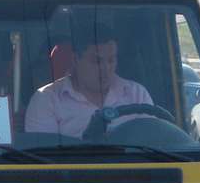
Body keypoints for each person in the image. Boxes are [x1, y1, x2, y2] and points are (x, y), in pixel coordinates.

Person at [24, 25, 152, 138]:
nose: (106, 68)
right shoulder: (47, 100)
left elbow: (152, 142)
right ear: (75, 59)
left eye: (111, 60)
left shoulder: (137, 94)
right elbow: (44, 157)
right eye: (97, 61)